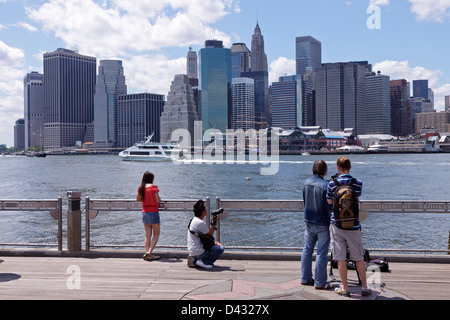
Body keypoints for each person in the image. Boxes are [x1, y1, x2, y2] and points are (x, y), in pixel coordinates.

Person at [327, 156, 372, 297]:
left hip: (337, 224)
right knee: (359, 257)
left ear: (338, 168)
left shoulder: (331, 184)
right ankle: (364, 287)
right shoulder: (357, 183)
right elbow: (356, 198)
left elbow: (329, 202)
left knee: (340, 258)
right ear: (350, 167)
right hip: (353, 224)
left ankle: (345, 288)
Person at [301, 160, 333, 290]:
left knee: (307, 249)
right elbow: (328, 206)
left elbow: (304, 201)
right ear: (324, 171)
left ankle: (305, 278)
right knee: (321, 252)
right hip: (322, 222)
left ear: (313, 170)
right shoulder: (326, 186)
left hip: (308, 220)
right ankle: (320, 282)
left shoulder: (305, 183)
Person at [187, 200, 224, 269]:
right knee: (220, 249)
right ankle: (204, 262)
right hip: (198, 252)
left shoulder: (193, 220)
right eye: (205, 207)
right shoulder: (200, 223)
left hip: (192, 250)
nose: (207, 208)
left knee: (215, 245)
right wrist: (215, 222)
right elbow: (209, 235)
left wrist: (213, 242)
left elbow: (206, 237)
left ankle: (198, 260)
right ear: (203, 212)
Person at [136, 171, 161, 261]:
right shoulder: (154, 188)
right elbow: (158, 201)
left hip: (144, 212)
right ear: (151, 179)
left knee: (147, 234)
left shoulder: (141, 188)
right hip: (153, 212)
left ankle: (148, 254)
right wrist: (159, 197)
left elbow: (138, 199)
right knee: (156, 233)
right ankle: (149, 252)